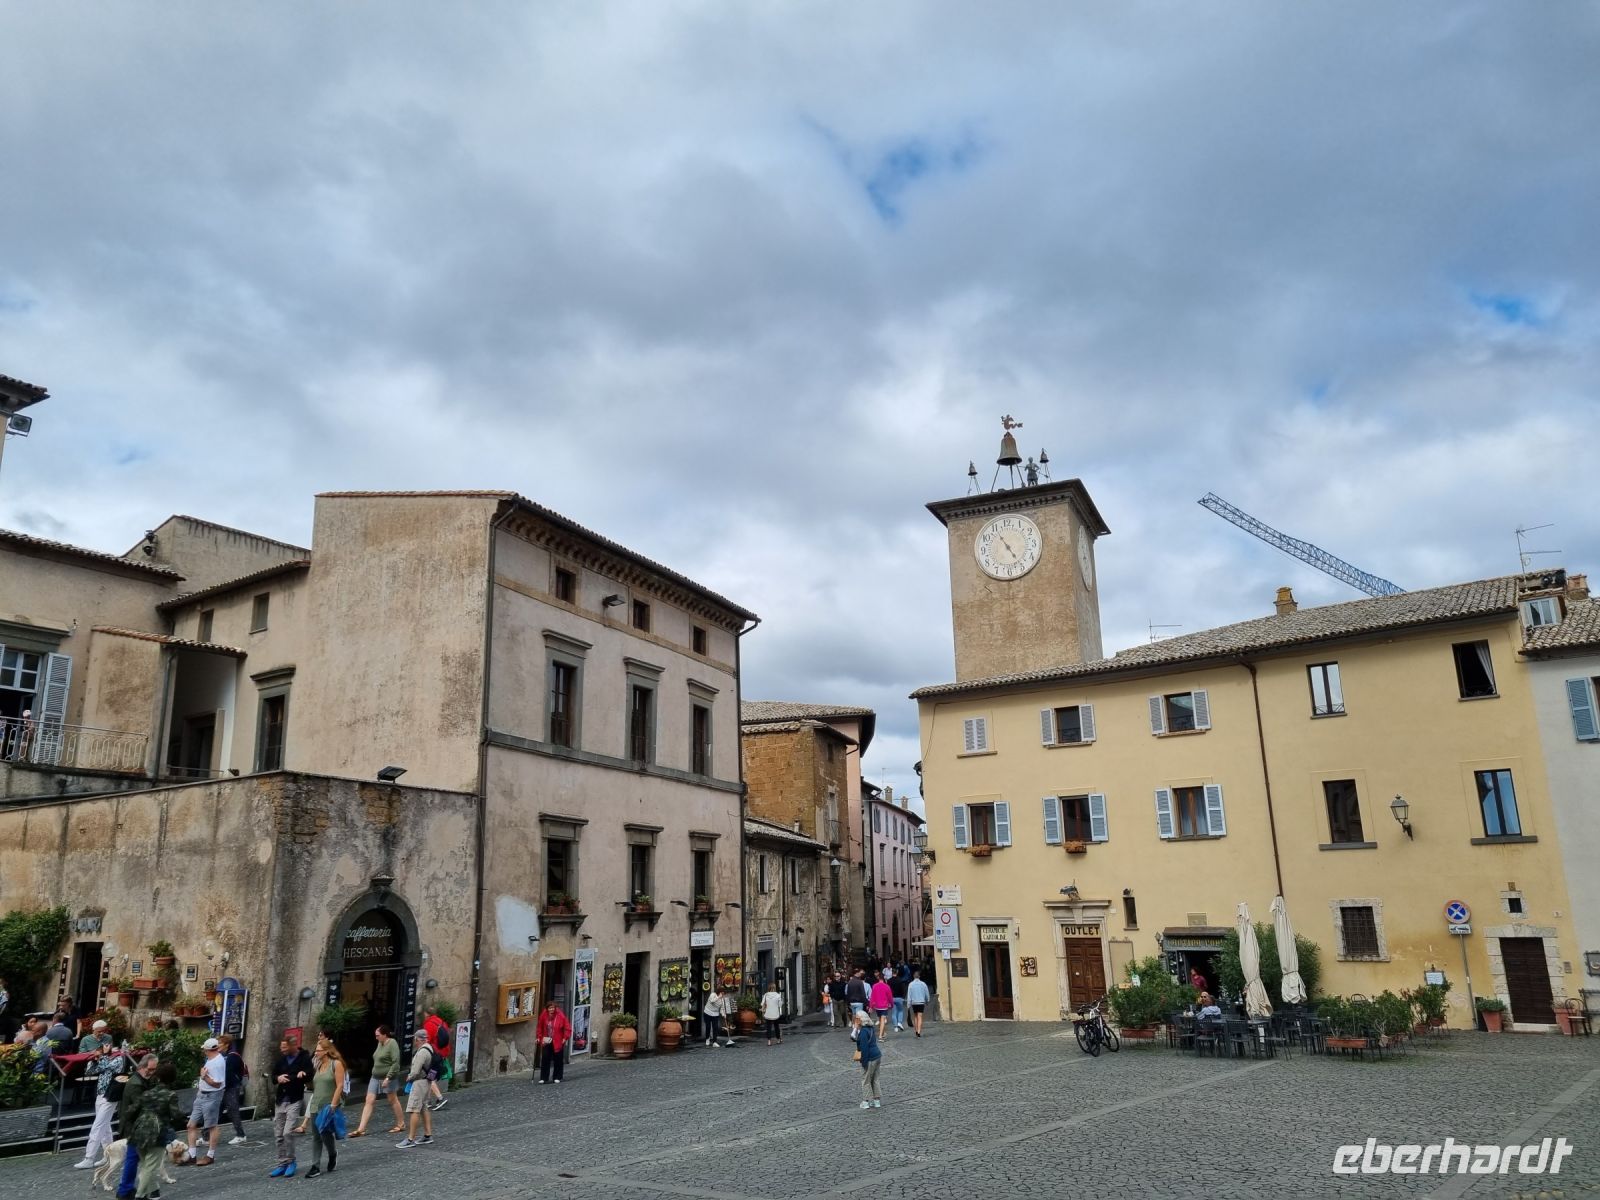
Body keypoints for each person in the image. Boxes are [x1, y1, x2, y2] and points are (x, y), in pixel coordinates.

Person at [295, 1032, 345, 1178]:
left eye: (318, 1050)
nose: (315, 1052)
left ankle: (332, 1153)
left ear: (326, 1051)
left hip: (328, 1104)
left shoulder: (336, 1064)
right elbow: (314, 1085)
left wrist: (334, 1105)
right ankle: (315, 1166)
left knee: (325, 1134)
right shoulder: (318, 1065)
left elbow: (340, 1085)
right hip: (316, 1103)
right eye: (316, 1050)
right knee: (316, 1136)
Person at [131, 1062, 183, 1200]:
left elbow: (132, 1110)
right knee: (150, 1167)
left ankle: (154, 1191)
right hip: (157, 1132)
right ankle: (140, 1196)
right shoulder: (170, 1095)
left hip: (139, 1130)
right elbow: (176, 1115)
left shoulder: (147, 1093)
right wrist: (179, 1121)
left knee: (146, 1165)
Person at [74, 1032, 124, 1169]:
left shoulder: (118, 1058)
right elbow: (89, 1071)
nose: (105, 1046)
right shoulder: (101, 1058)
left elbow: (108, 1067)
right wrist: (94, 1059)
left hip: (111, 1095)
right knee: (105, 1126)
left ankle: (89, 1157)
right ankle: (109, 1155)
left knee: (98, 1125)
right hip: (100, 1094)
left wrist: (101, 1057)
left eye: (106, 1044)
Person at [114, 1053, 159, 1199]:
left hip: (136, 1126)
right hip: (134, 1127)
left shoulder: (141, 1081)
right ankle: (126, 1190)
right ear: (142, 1066)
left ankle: (127, 1189)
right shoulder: (135, 1084)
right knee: (134, 1159)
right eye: (150, 1069)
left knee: (135, 1159)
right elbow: (139, 1107)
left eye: (154, 1070)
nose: (152, 1072)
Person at [269, 1033, 313, 1177]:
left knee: (288, 1132)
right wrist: (278, 1078)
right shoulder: (281, 1060)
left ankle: (291, 1161)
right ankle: (282, 1163)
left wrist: (302, 1074)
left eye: (285, 1047)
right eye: (281, 1047)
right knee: (278, 1134)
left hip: (294, 1099)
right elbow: (273, 1076)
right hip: (281, 1099)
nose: (282, 1050)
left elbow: (309, 1074)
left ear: (293, 1045)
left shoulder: (304, 1058)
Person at [182, 1037, 226, 1166]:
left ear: (208, 1050)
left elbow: (217, 1084)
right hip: (202, 1095)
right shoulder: (212, 1059)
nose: (204, 1052)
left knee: (211, 1126)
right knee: (191, 1125)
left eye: (205, 1050)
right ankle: (192, 1155)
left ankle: (210, 1155)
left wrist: (204, 1077)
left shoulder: (218, 1063)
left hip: (211, 1097)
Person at [352, 1025, 403, 1137]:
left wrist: (388, 1078)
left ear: (385, 1034)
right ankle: (361, 1129)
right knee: (369, 1100)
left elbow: (395, 1063)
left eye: (378, 1035)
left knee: (392, 1099)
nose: (376, 1038)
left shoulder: (392, 1043)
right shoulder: (380, 1043)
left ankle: (401, 1123)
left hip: (388, 1077)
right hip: (375, 1077)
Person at [395, 1030, 436, 1149]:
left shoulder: (422, 1052)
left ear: (418, 1039)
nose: (414, 1041)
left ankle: (410, 1139)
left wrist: (409, 1078)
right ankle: (428, 1135)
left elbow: (415, 1070)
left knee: (414, 1109)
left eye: (415, 1039)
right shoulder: (430, 1048)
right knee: (423, 1107)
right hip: (427, 1081)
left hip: (419, 1082)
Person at [218, 1033, 248, 1145]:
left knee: (232, 1110)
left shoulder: (232, 1056)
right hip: (226, 1087)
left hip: (231, 1087)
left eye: (220, 1043)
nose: (218, 1045)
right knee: (217, 1111)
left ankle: (241, 1135)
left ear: (227, 1044)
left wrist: (222, 1087)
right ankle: (206, 1136)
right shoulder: (226, 1056)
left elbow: (228, 1075)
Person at [850, 1008, 882, 1110]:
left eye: (856, 1019)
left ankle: (866, 1101)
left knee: (866, 1080)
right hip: (877, 1056)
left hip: (870, 1058)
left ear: (859, 1020)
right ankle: (876, 1101)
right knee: (875, 1079)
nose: (855, 1021)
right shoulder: (870, 1029)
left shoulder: (863, 1032)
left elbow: (864, 1048)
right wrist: (856, 1029)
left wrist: (864, 1063)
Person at [535, 998, 571, 1083]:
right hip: (547, 1040)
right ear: (547, 1009)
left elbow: (567, 1027)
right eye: (549, 1008)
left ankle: (557, 1077)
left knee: (558, 1059)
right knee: (545, 1058)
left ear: (555, 1008)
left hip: (558, 1040)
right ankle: (544, 1078)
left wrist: (565, 1038)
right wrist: (538, 1037)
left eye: (553, 1008)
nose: (551, 1009)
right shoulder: (544, 1015)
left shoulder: (560, 1015)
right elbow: (539, 1027)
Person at [421, 1006, 451, 1110]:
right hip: (442, 1053)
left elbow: (426, 1040)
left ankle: (440, 1098)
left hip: (434, 1054)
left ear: (426, 1014)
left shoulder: (429, 1024)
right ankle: (427, 1101)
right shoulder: (441, 1022)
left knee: (430, 1077)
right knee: (429, 1076)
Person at [906, 969, 930, 1038]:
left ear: (914, 976)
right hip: (921, 1002)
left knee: (915, 1016)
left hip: (914, 1002)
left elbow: (909, 995)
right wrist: (927, 1000)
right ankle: (919, 1031)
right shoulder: (923, 984)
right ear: (919, 976)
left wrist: (908, 1004)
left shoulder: (910, 984)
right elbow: (926, 993)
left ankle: (916, 1030)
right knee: (920, 1016)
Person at [869, 974, 893, 1039]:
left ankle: (882, 1033)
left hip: (877, 1006)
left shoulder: (874, 986)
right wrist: (891, 1004)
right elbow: (890, 997)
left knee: (880, 1020)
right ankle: (880, 1035)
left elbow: (872, 997)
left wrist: (871, 1006)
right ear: (884, 978)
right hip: (884, 1005)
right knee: (883, 1020)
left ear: (878, 978)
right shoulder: (887, 986)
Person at [760, 980, 783, 1046]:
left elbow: (762, 1004)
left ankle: (769, 1041)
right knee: (776, 1027)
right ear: (775, 988)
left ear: (769, 988)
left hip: (768, 1013)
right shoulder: (778, 995)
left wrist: (764, 1008)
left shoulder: (766, 995)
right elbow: (780, 1005)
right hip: (775, 1013)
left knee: (768, 1027)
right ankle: (778, 1039)